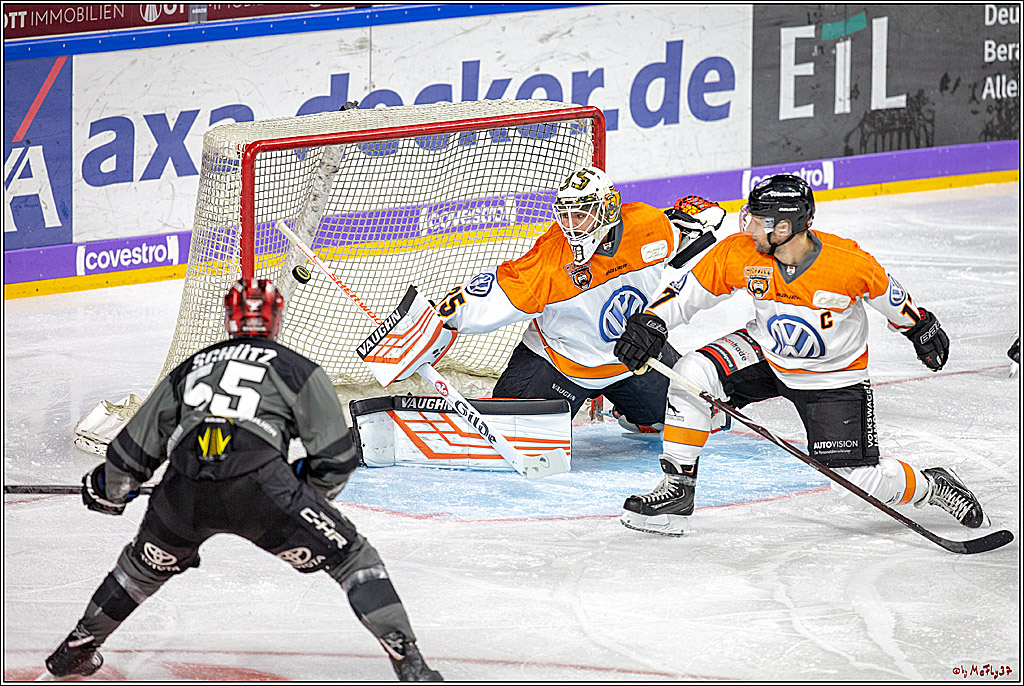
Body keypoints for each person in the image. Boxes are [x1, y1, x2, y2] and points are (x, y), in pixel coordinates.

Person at [43, 278, 442, 681]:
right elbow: (337, 460)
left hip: (183, 490)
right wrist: (304, 491)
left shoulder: (191, 367)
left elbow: (131, 454)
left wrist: (107, 491)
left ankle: (76, 647)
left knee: (138, 571)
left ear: (229, 318)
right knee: (353, 559)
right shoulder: (297, 368)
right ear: (277, 317)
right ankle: (409, 662)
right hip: (263, 490)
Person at [612, 173, 986, 536]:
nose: (750, 227)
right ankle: (678, 488)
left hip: (833, 379)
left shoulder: (846, 263)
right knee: (693, 372)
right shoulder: (740, 253)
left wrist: (921, 328)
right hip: (765, 353)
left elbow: (895, 301)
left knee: (855, 482)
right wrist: (652, 322)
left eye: (759, 221)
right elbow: (687, 293)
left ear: (785, 227)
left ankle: (930, 486)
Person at [435, 165, 727, 432]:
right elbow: (486, 295)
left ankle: (635, 410)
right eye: (565, 215)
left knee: (685, 416)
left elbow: (687, 232)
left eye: (581, 215)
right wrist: (436, 317)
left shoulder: (648, 226)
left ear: (608, 211)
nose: (571, 226)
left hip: (629, 357)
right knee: (513, 434)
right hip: (560, 364)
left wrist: (699, 217)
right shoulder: (549, 261)